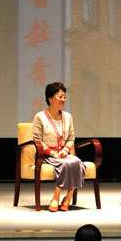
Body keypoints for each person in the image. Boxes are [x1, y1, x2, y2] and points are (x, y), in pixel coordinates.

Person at [33, 82, 86, 212]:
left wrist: (65, 150)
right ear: (50, 98)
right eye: (60, 97)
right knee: (65, 164)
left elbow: (71, 138)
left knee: (77, 162)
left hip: (64, 153)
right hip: (46, 155)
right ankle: (57, 196)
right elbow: (37, 140)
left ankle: (67, 197)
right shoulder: (40, 117)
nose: (63, 100)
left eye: (64, 97)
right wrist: (53, 153)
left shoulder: (68, 117)